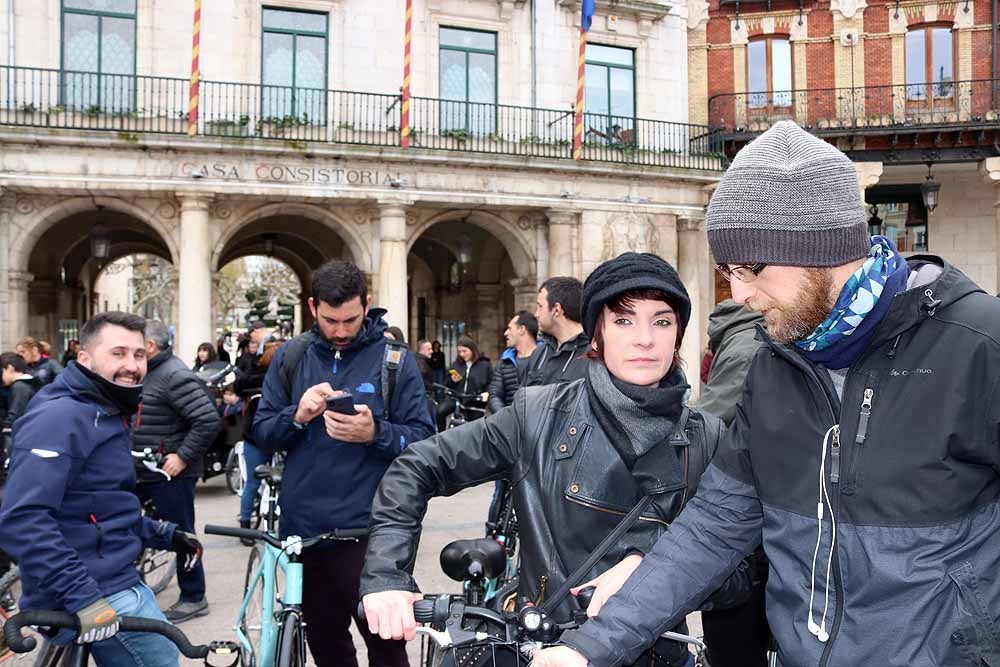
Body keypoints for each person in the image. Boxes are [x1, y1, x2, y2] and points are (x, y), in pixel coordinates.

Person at [534, 120, 1000, 666]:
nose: (739, 293)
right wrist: (588, 649)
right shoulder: (772, 365)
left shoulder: (978, 345)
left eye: (753, 267)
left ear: (824, 246)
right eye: (728, 270)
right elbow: (714, 525)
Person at [360, 253, 754, 667]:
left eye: (662, 321)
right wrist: (388, 574)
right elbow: (417, 466)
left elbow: (743, 575)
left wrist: (654, 566)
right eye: (623, 320)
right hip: (543, 645)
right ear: (596, 335)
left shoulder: (707, 436)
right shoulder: (539, 414)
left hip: (657, 653)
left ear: (677, 335)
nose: (645, 338)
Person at [253, 259, 435, 667]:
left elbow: (425, 440)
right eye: (330, 320)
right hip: (306, 531)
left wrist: (376, 434)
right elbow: (261, 432)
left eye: (350, 320)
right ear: (312, 306)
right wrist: (297, 417)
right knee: (327, 644)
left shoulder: (395, 360)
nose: (339, 330)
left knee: (387, 645)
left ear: (367, 305)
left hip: (372, 532)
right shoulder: (291, 358)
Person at [0, 312, 202, 667]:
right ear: (85, 358)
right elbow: (22, 519)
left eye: (139, 355)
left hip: (105, 577)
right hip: (93, 589)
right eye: (118, 353)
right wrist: (83, 597)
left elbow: (97, 505)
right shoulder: (60, 416)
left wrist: (164, 534)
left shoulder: (104, 408)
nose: (132, 365)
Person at [130, 320, 220, 624]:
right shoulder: (149, 373)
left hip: (170, 473)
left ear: (151, 346)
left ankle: (194, 596)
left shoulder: (174, 376)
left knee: (181, 533)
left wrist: (181, 457)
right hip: (144, 470)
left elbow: (208, 420)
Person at [696, 300, 769, 667]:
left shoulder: (742, 346)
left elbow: (711, 422)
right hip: (760, 499)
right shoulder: (750, 339)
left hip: (747, 503)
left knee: (733, 639)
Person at [233, 341, 280, 543]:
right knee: (255, 482)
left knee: (254, 482)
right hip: (261, 440)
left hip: (260, 440)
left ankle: (246, 527)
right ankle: (246, 525)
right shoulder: (268, 383)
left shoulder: (252, 380)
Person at [526, 277, 589, 386]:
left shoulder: (594, 354)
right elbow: (523, 398)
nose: (536, 314)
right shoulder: (540, 353)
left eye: (540, 306)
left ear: (556, 310)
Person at [487, 310, 538, 414]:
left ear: (522, 330)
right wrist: (506, 417)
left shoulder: (545, 358)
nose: (506, 333)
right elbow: (494, 395)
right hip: (509, 425)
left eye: (510, 328)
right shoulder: (505, 361)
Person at [437, 335, 491, 431]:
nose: (462, 354)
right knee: (440, 411)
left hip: (475, 401)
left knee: (474, 428)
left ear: (472, 350)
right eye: (459, 352)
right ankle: (441, 437)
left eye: (464, 351)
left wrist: (486, 393)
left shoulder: (484, 365)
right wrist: (452, 381)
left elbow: (490, 382)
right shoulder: (456, 364)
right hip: (458, 399)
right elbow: (447, 382)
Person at [1, 352, 39, 433]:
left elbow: (16, 413)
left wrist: (6, 426)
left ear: (10, 368)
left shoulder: (19, 387)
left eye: (2, 371)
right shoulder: (31, 383)